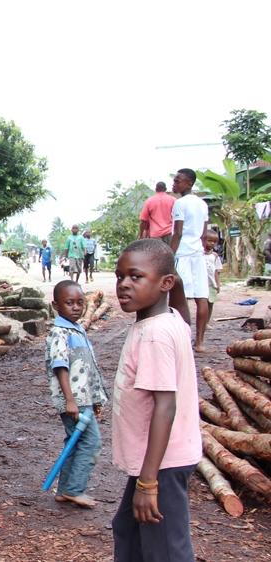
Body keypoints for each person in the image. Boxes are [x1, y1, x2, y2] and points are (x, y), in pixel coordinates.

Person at [111, 238, 201, 562]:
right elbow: (180, 304)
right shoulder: (173, 319)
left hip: (162, 463)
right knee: (127, 528)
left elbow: (166, 406)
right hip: (156, 458)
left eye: (136, 277)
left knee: (166, 550)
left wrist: (148, 484)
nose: (124, 285)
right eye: (119, 276)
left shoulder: (155, 335)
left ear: (165, 283)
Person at [45, 280, 108, 508]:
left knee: (75, 442)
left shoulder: (78, 329)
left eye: (80, 303)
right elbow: (60, 366)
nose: (76, 307)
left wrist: (97, 400)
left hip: (84, 399)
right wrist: (70, 400)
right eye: (69, 303)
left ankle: (64, 490)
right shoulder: (60, 332)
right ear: (56, 305)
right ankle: (74, 489)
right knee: (91, 443)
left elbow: (87, 368)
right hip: (74, 401)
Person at [169, 168, 210, 352]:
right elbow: (203, 233)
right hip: (198, 254)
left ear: (189, 184)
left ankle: (183, 341)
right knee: (202, 298)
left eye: (178, 181)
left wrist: (169, 256)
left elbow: (177, 233)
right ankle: (200, 342)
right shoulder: (202, 204)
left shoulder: (180, 204)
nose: (174, 184)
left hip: (183, 254)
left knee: (178, 298)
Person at [203, 230, 222, 322]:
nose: (212, 243)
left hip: (211, 284)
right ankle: (202, 321)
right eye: (209, 241)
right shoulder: (199, 255)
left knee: (210, 303)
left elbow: (216, 270)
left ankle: (207, 322)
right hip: (201, 284)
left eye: (214, 241)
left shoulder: (214, 256)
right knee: (203, 303)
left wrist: (217, 283)